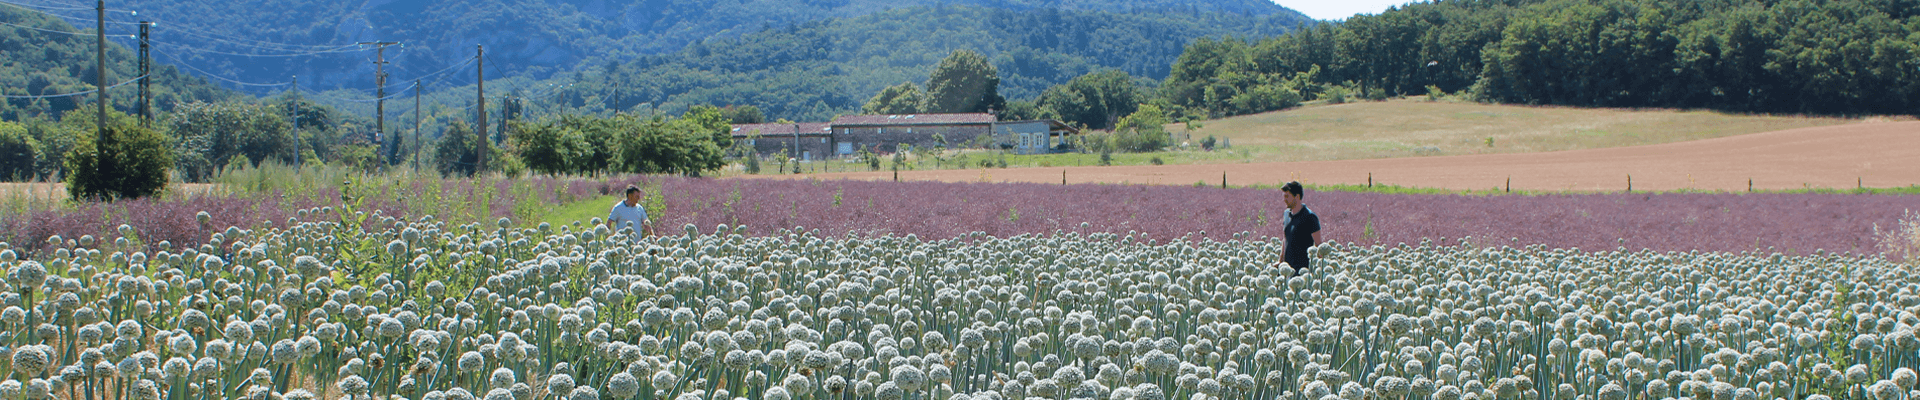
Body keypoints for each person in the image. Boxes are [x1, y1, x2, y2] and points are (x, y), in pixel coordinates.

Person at [1280, 181, 1321, 276]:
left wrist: (1318, 270)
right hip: (1287, 270)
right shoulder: (1286, 214)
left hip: (1303, 271)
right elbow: (1285, 239)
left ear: (1297, 197)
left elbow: (1318, 245)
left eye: (1287, 196)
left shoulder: (1310, 217)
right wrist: (1280, 261)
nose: (1284, 200)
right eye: (1284, 196)